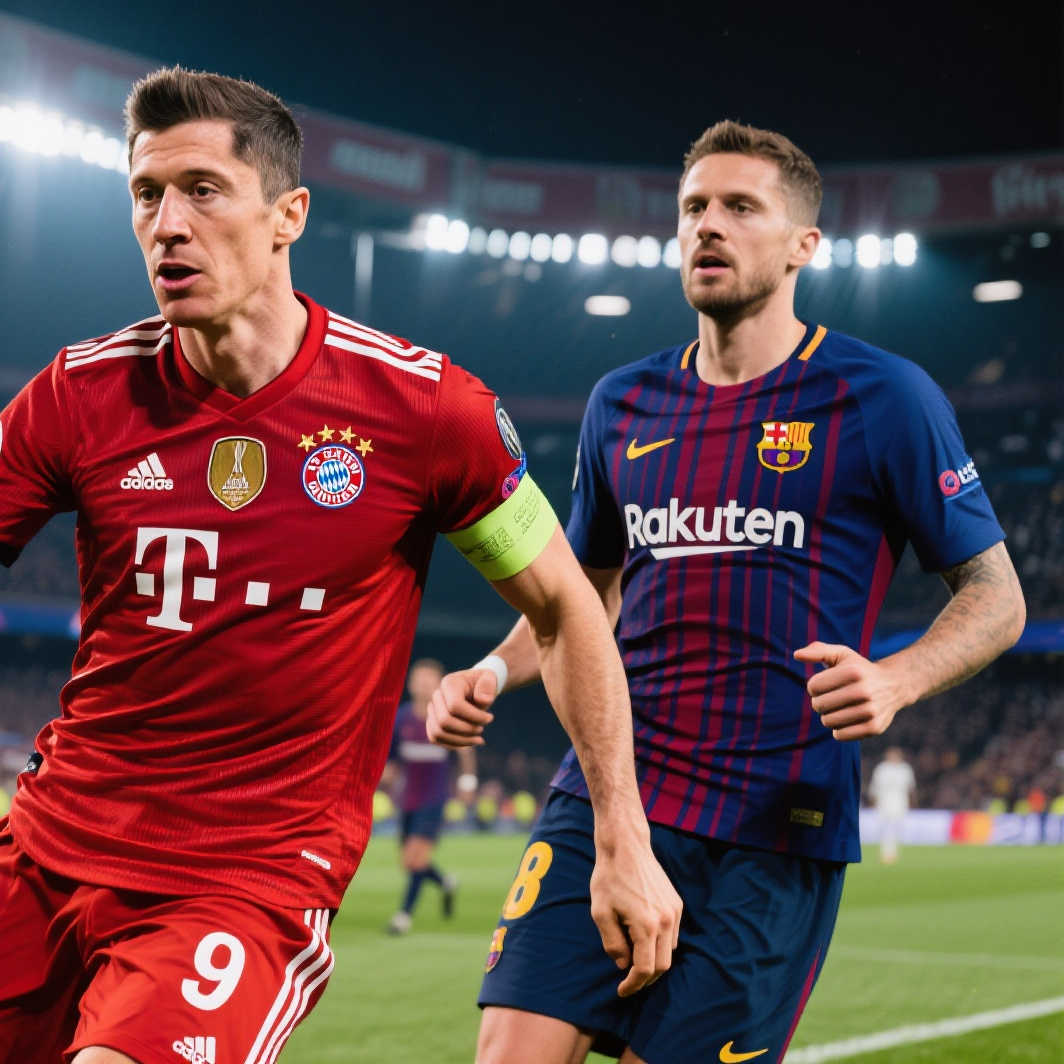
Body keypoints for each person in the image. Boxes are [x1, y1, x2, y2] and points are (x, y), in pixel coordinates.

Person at [0, 67, 678, 1064]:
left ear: (287, 216)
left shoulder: (425, 410)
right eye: (145, 194)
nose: (167, 223)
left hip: (243, 879)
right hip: (48, 852)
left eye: (202, 190)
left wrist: (619, 835)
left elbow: (564, 609)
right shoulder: (78, 395)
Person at [429, 120, 1026, 1064]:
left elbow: (997, 595)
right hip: (612, 797)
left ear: (802, 245)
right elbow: (577, 598)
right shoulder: (621, 404)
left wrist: (898, 678)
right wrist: (494, 672)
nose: (707, 225)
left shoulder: (884, 397)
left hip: (774, 827)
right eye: (694, 207)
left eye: (741, 207)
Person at [385, 659, 474, 935]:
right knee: (410, 862)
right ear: (411, 683)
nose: (423, 684)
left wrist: (467, 783)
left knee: (415, 859)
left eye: (428, 679)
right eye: (419, 679)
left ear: (439, 683)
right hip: (407, 800)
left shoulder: (447, 717)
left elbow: (465, 751)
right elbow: (392, 761)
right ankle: (445, 882)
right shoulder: (401, 718)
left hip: (434, 799)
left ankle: (403, 916)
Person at [869, 748, 917, 864]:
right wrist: (874, 802)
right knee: (884, 828)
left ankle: (893, 852)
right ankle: (885, 853)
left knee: (897, 828)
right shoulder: (881, 769)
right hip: (883, 802)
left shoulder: (905, 769)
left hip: (900, 802)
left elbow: (911, 788)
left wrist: (912, 802)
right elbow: (874, 787)